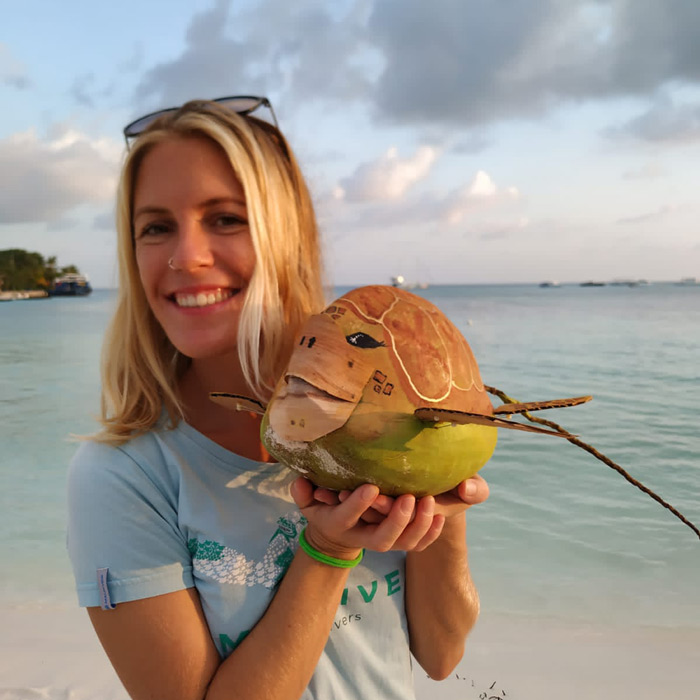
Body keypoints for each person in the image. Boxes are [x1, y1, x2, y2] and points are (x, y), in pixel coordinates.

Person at [67, 96, 490, 700]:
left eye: (225, 219)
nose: (186, 256)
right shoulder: (125, 475)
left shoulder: (381, 417)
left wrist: (445, 500)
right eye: (156, 227)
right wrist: (328, 550)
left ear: (287, 236)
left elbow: (442, 654)